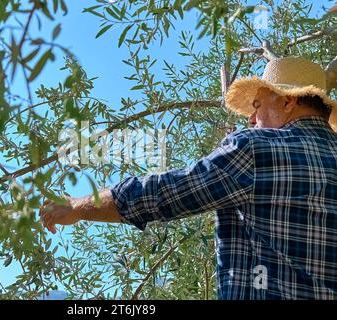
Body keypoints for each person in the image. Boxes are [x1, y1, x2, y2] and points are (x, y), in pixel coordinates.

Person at [39, 57, 337, 299]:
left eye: (258, 105)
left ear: (288, 103)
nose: (250, 118)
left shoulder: (257, 148)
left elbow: (165, 194)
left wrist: (77, 206)